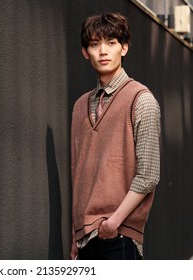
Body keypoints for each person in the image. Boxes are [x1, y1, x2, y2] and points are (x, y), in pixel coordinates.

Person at [70, 13, 161, 260]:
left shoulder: (141, 100)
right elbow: (77, 172)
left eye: (111, 43)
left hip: (119, 235)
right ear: (85, 52)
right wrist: (75, 235)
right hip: (85, 238)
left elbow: (149, 175)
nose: (103, 51)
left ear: (124, 47)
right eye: (94, 44)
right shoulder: (80, 106)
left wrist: (114, 222)